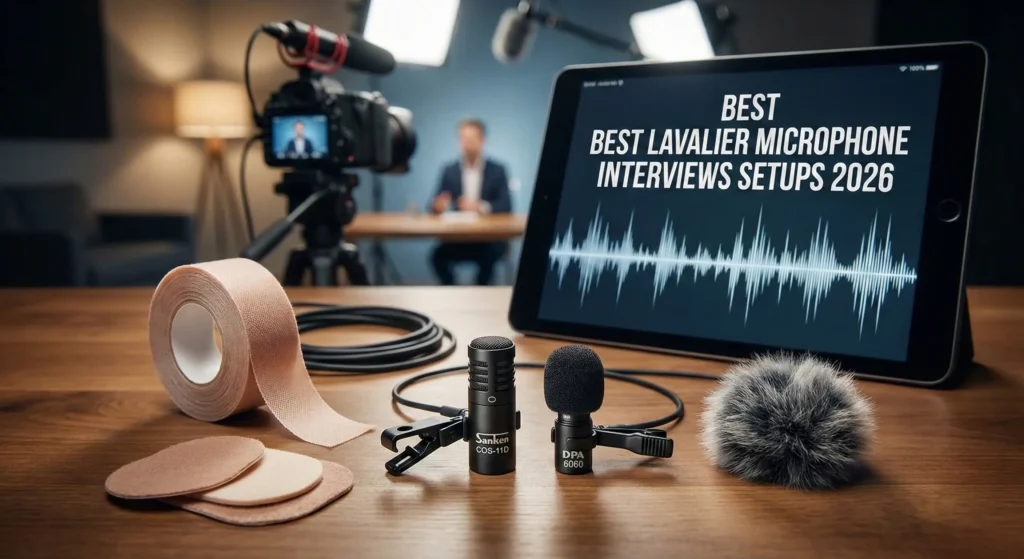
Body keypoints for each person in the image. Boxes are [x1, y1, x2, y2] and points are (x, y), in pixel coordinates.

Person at [429, 118, 512, 286]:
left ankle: (481, 295)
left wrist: (480, 206)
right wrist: (438, 205)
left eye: (471, 139)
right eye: (463, 139)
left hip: (487, 239)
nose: (466, 144)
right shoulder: (449, 170)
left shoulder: (497, 170)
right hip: (457, 238)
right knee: (437, 257)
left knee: (490, 258)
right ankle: (452, 294)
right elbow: (434, 203)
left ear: (482, 140)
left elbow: (506, 205)